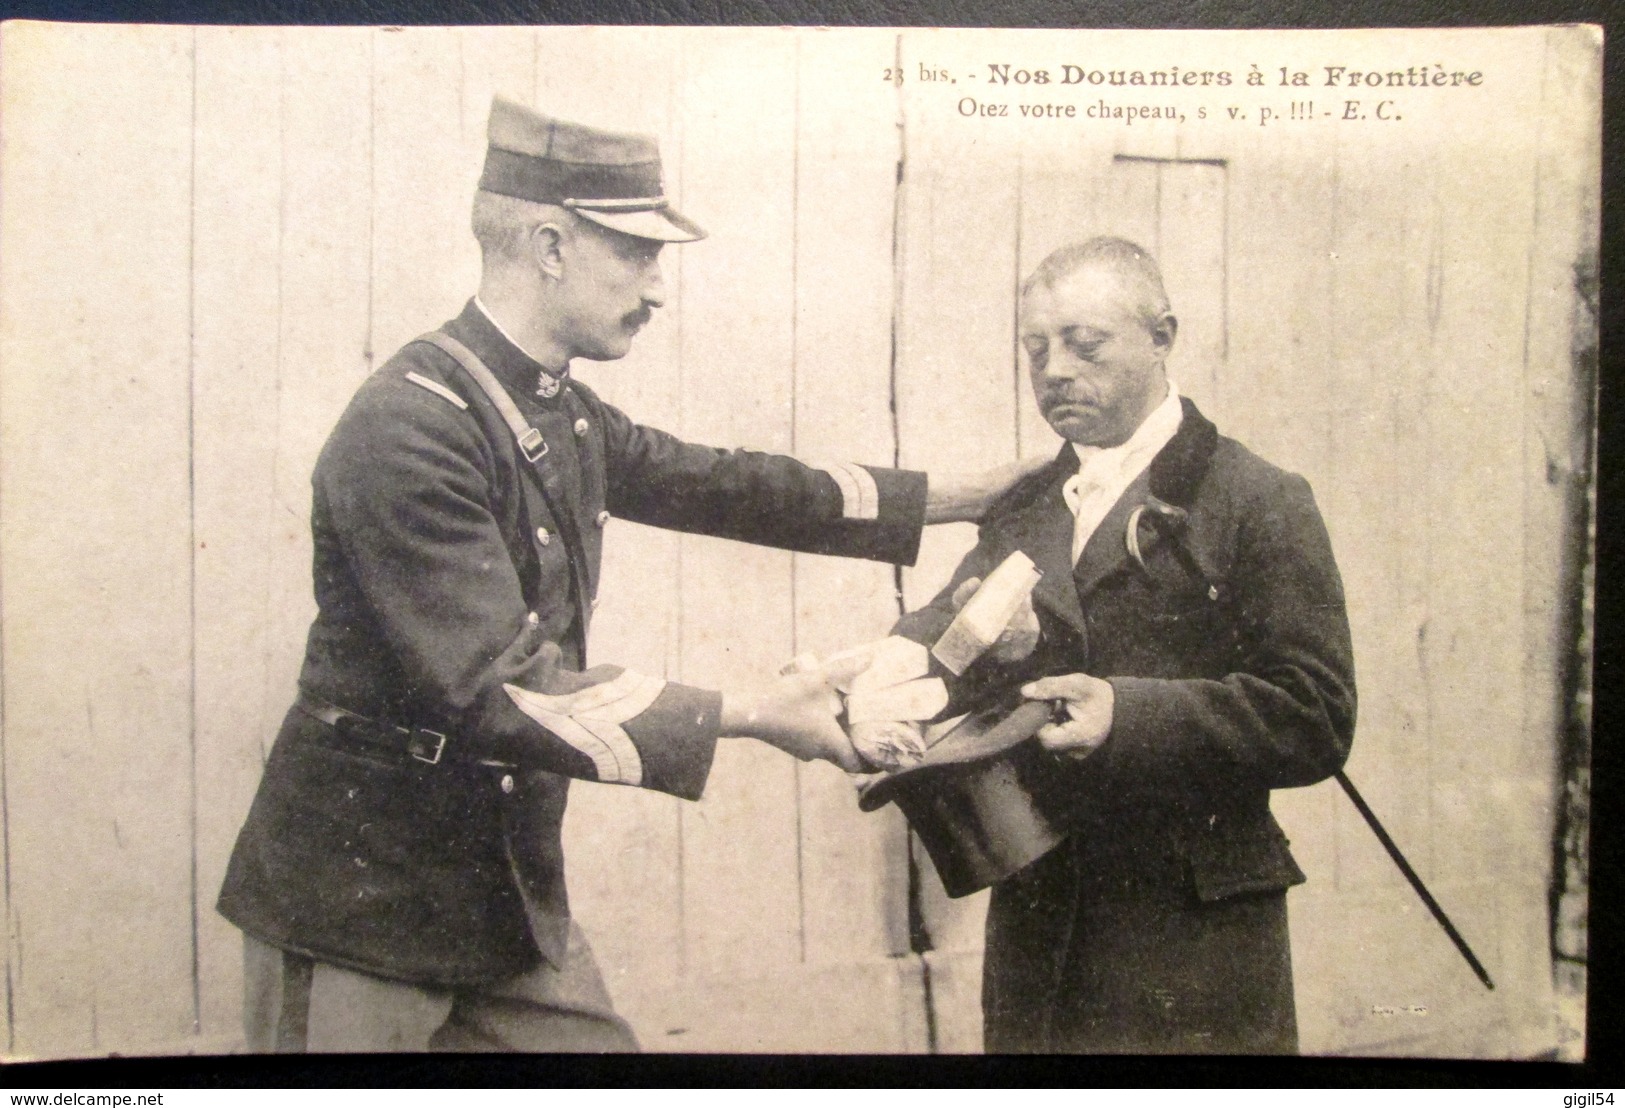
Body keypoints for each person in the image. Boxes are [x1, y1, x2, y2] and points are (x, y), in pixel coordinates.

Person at [216, 97, 1036, 1053]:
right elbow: (499, 692)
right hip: (357, 908)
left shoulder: (558, 410)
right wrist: (760, 712)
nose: (657, 290)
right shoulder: (409, 428)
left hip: (500, 901)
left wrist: (969, 493)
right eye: (638, 256)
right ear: (551, 243)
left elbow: (734, 487)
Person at [886, 236, 1357, 1054]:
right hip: (1043, 927)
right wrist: (889, 672)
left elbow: (1314, 715)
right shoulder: (1027, 503)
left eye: (1084, 344)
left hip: (1192, 938)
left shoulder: (1253, 498)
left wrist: (1124, 715)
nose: (1054, 369)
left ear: (1161, 336)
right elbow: (948, 642)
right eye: (1036, 349)